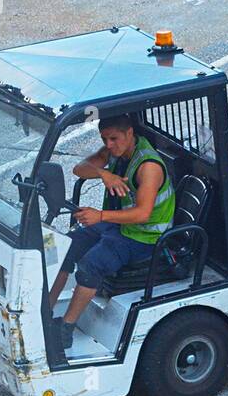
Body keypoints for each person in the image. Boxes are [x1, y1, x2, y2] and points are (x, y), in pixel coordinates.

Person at [47, 114, 175, 349]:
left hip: (144, 237)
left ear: (129, 134)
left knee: (91, 264)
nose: (108, 145)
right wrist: (104, 173)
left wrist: (100, 215)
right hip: (121, 227)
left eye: (114, 138)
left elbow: (142, 214)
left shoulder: (148, 167)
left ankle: (65, 330)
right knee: (66, 246)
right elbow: (79, 169)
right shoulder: (115, 152)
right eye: (104, 139)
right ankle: (45, 314)